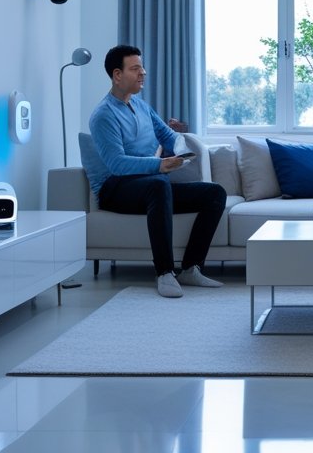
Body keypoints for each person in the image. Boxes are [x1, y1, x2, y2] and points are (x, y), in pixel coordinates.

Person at [87, 45, 227, 298]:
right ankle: (164, 272)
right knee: (159, 184)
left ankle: (191, 268)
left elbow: (168, 135)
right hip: (115, 188)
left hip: (149, 184)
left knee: (215, 193)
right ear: (117, 75)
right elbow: (116, 164)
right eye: (136, 68)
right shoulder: (103, 115)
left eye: (142, 67)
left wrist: (181, 150)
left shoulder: (141, 106)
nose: (143, 72)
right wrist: (160, 165)